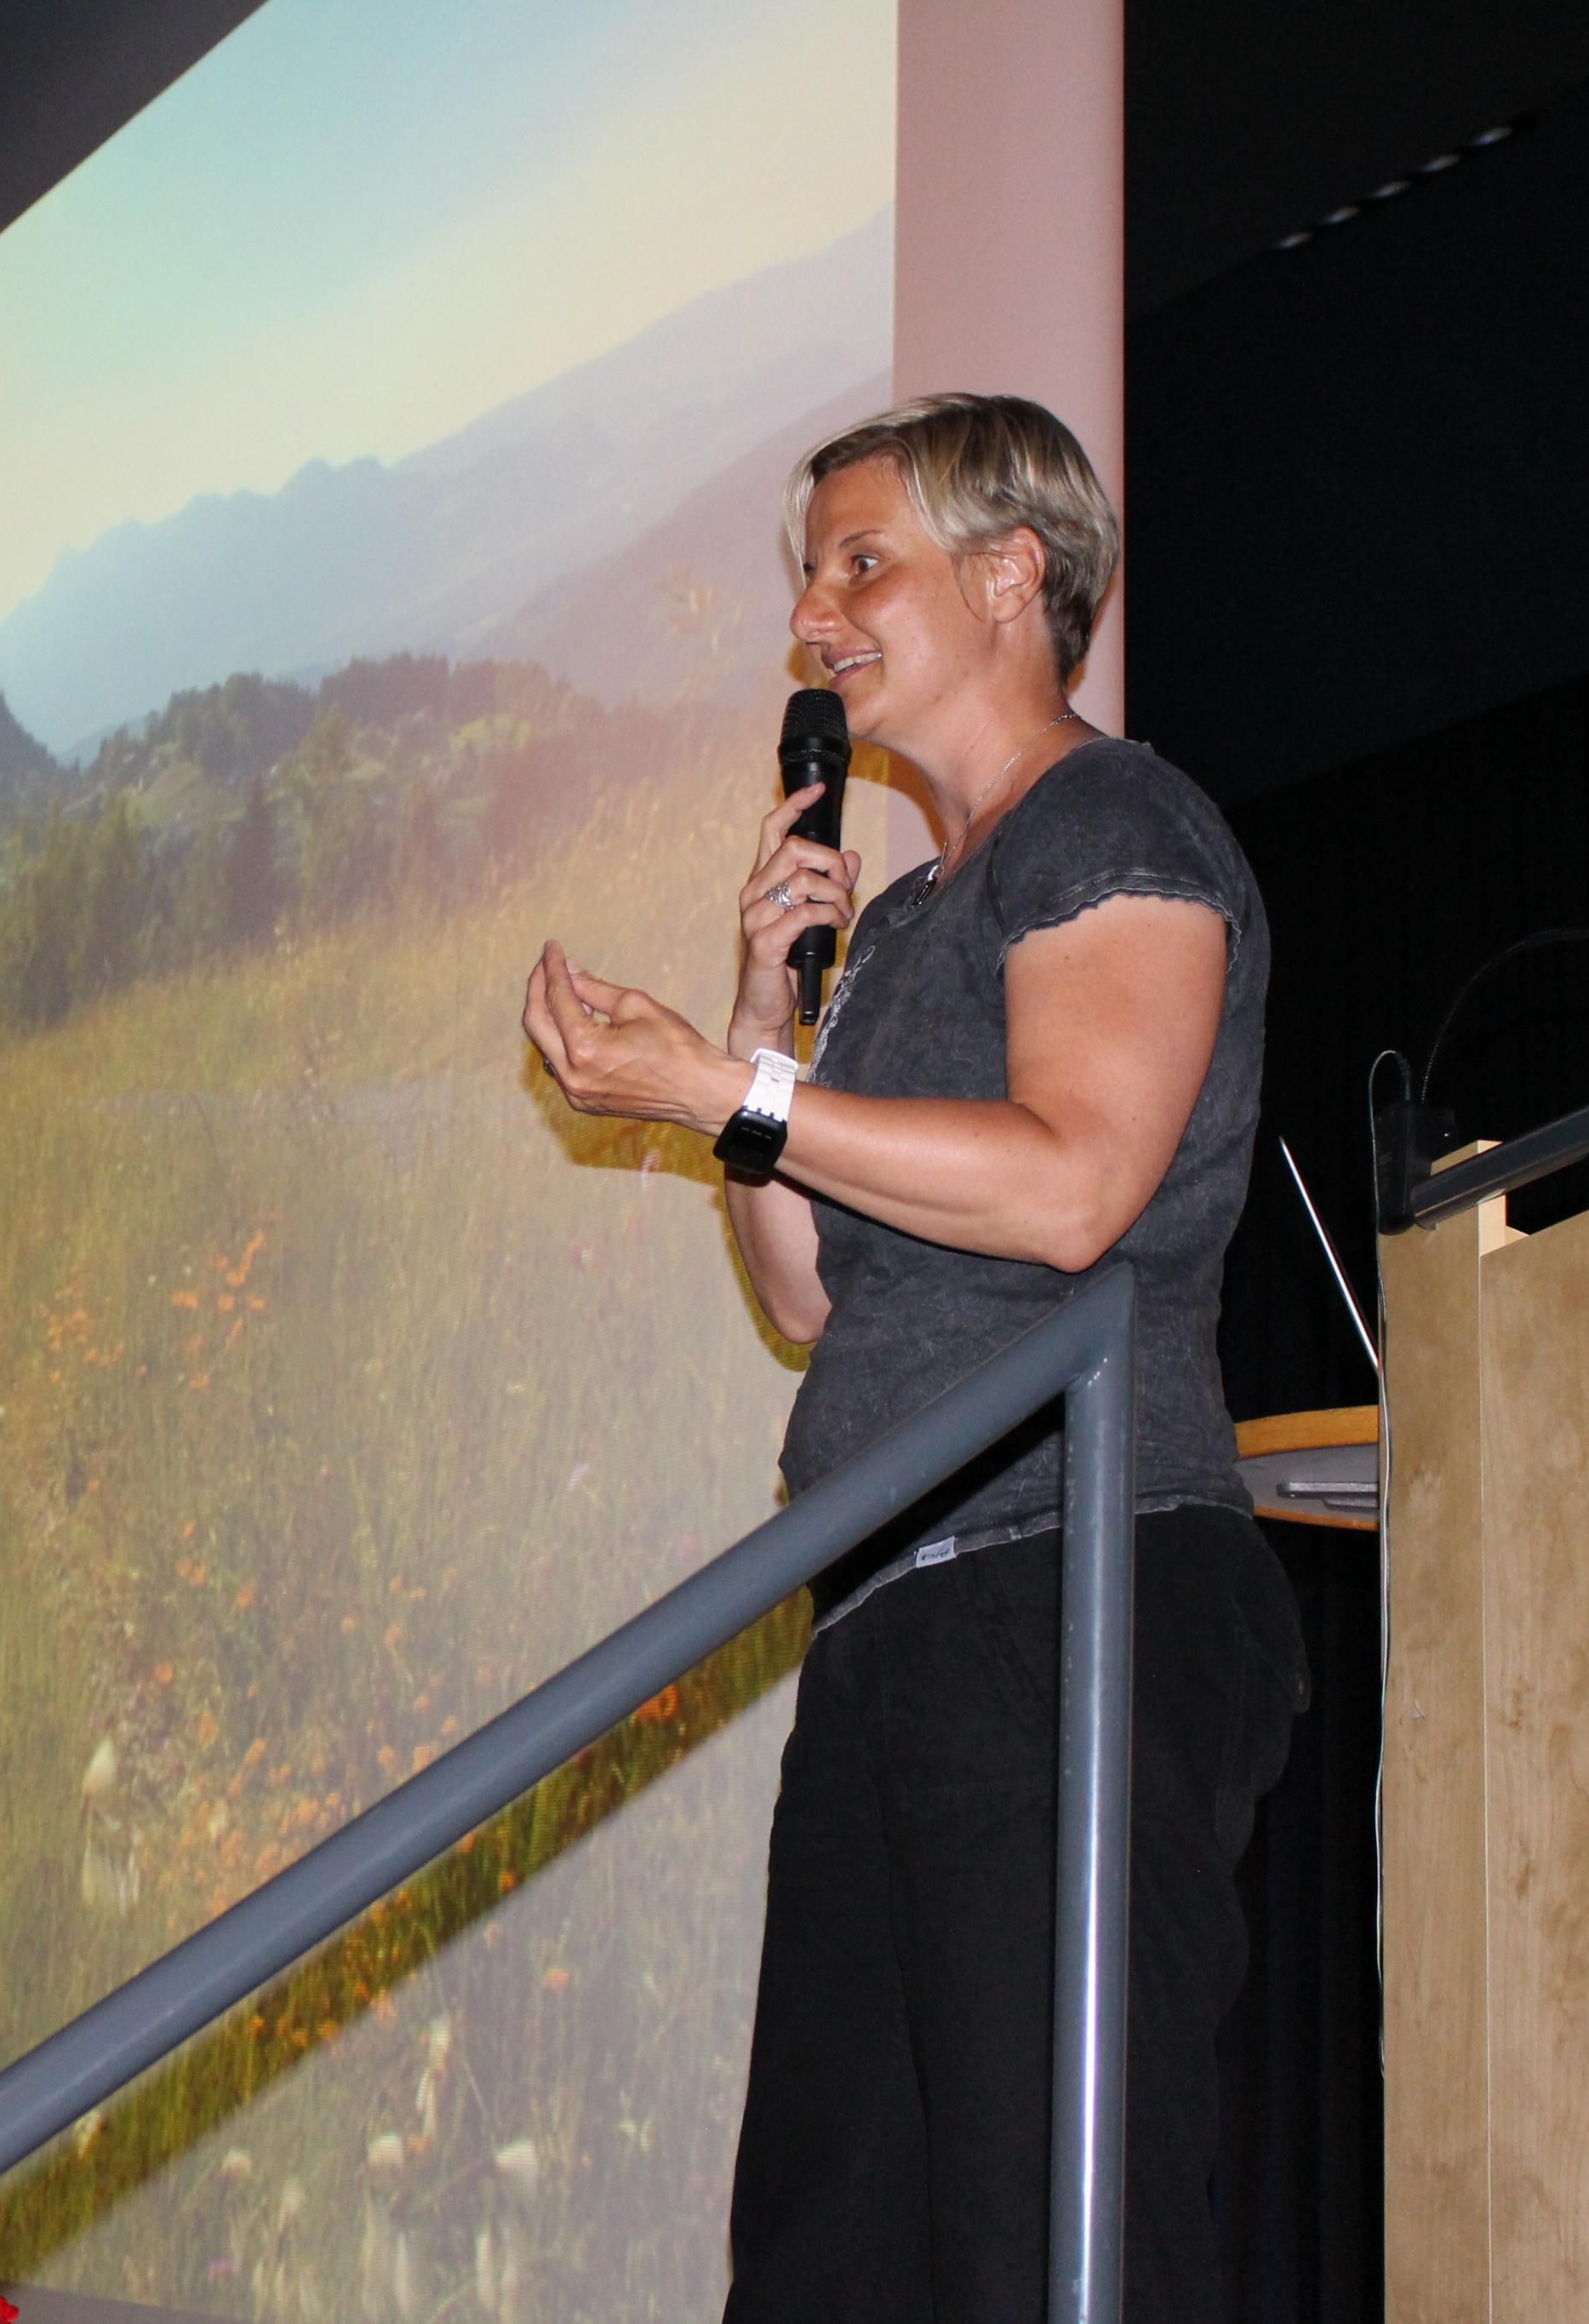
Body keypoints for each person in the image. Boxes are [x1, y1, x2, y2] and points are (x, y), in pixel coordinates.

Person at [517, 393, 1304, 2321]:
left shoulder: (1111, 820)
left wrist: (725, 1093)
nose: (813, 618)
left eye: (859, 564)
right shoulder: (902, 922)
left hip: (1068, 1583)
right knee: (829, 2261)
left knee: (1050, 2245)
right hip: (892, 1609)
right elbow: (805, 1295)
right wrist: (754, 1022)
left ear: (1014, 571)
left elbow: (1072, 1184)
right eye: (810, 577)